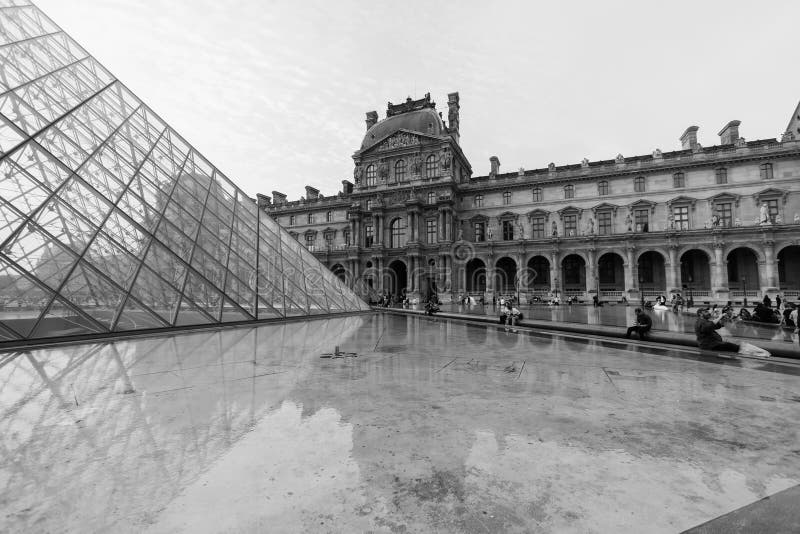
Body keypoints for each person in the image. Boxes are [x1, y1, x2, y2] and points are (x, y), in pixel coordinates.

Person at [695, 307, 770, 357]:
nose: (708, 313)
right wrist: (719, 316)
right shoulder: (700, 321)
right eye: (705, 312)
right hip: (711, 345)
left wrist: (725, 320)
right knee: (733, 346)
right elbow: (708, 326)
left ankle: (756, 352)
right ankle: (757, 354)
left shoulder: (703, 321)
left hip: (712, 344)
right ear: (700, 314)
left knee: (733, 344)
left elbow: (716, 326)